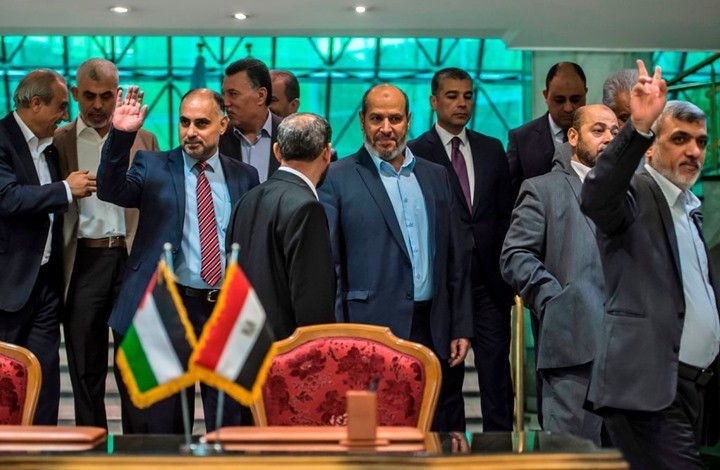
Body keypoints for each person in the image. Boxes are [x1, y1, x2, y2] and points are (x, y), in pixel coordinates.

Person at [581, 60, 720, 469]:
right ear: (651, 146)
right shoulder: (635, 193)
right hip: (645, 390)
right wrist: (637, 127)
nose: (693, 151)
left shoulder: (690, 209)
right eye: (679, 139)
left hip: (693, 388)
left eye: (701, 142)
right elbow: (597, 196)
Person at [97, 87, 259, 433]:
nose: (190, 132)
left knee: (227, 421)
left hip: (221, 310)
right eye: (185, 122)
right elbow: (110, 189)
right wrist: (121, 136)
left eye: (202, 123)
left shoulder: (244, 176)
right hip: (166, 307)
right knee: (163, 424)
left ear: (222, 125)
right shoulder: (153, 165)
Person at [319, 84, 473, 432]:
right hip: (368, 330)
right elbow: (331, 266)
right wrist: (339, 336)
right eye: (376, 118)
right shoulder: (337, 177)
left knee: (437, 432)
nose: (386, 128)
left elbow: (456, 257)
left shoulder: (436, 176)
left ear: (409, 121)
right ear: (362, 121)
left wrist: (461, 324)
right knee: (373, 435)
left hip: (434, 328)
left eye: (395, 119)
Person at [501, 104, 620, 445]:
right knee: (572, 456)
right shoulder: (543, 189)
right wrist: (556, 300)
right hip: (573, 349)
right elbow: (514, 256)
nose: (609, 138)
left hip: (629, 353)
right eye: (598, 130)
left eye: (615, 132)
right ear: (573, 136)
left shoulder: (632, 191)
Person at [54, 58, 159, 432]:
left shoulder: (144, 140)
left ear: (118, 94)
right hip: (83, 261)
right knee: (85, 367)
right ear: (74, 93)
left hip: (131, 261)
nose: (97, 105)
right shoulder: (59, 141)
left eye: (105, 96)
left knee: (135, 366)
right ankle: (92, 444)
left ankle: (137, 447)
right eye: (89, 96)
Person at [408, 67, 514, 431]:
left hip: (489, 283)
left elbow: (505, 213)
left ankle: (499, 453)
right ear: (434, 101)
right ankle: (449, 451)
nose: (462, 103)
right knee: (446, 379)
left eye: (468, 96)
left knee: (497, 379)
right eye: (452, 96)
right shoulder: (415, 153)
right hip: (444, 286)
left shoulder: (491, 148)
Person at [0, 69, 95, 424]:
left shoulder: (50, 147)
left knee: (44, 380)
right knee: (6, 384)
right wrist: (66, 189)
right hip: (8, 286)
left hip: (46, 286)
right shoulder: (2, 139)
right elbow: (8, 198)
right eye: (60, 106)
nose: (65, 115)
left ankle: (44, 448)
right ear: (36, 103)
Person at [227, 113, 335, 339]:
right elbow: (312, 303)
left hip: (246, 344)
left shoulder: (245, 200)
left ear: (277, 151)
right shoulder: (308, 208)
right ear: (326, 153)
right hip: (289, 350)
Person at [507, 62, 587, 197]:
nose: (568, 108)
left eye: (575, 99)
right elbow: (509, 196)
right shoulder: (522, 139)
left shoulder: (601, 136)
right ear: (546, 95)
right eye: (559, 100)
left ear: (585, 93)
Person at [219, 58, 282, 183]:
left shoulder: (291, 136)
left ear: (261, 96)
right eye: (224, 94)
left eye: (233, 94)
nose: (225, 103)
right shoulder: (217, 138)